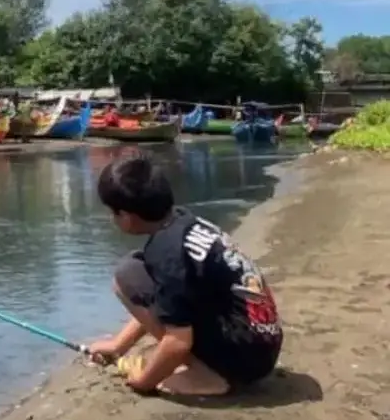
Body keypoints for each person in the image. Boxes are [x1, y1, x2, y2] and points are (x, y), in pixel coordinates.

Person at [87, 152, 283, 396]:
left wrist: (143, 382)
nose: (111, 219)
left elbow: (178, 342)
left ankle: (206, 375)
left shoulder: (168, 254)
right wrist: (118, 346)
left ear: (126, 216)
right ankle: (211, 366)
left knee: (126, 275)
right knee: (137, 268)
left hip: (245, 358)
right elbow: (165, 300)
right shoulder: (185, 221)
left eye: (112, 213)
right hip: (264, 345)